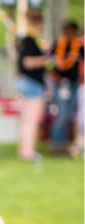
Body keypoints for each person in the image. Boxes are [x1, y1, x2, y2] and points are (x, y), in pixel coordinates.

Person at [15, 9, 49, 161]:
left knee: (25, 120)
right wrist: (46, 59)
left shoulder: (26, 40)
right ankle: (28, 151)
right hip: (32, 83)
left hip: (26, 82)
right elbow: (27, 62)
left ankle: (24, 150)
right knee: (32, 119)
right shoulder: (30, 40)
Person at [48, 20, 83, 154]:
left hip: (73, 84)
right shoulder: (58, 44)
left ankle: (64, 144)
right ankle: (55, 144)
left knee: (69, 115)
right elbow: (49, 61)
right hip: (60, 83)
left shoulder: (78, 46)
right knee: (62, 114)